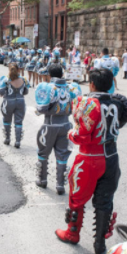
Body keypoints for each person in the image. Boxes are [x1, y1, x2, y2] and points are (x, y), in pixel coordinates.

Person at [55, 69, 127, 254]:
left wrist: (70, 133)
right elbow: (122, 121)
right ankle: (100, 243)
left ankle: (72, 234)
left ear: (92, 84)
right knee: (105, 201)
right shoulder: (119, 103)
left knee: (77, 199)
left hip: (89, 158)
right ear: (110, 84)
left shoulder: (86, 102)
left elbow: (81, 136)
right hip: (111, 158)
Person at [34, 64, 81, 195]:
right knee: (62, 155)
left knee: (43, 153)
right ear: (62, 74)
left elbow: (41, 109)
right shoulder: (72, 88)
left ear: (49, 75)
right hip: (66, 126)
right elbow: (75, 108)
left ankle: (42, 180)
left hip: (49, 125)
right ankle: (60, 185)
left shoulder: (48, 87)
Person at [0, 63, 30, 148]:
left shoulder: (6, 79)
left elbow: (1, 92)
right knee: (18, 122)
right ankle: (18, 142)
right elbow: (26, 92)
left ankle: (7, 139)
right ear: (18, 69)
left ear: (9, 70)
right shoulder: (24, 79)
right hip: (20, 101)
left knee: (7, 120)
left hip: (8, 102)